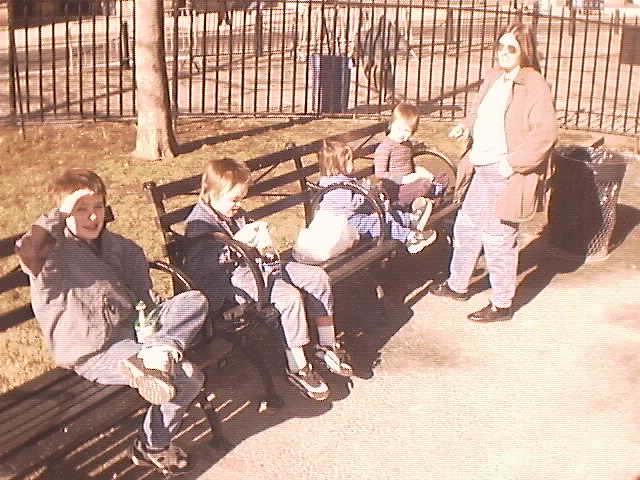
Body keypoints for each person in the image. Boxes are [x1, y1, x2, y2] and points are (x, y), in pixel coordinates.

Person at [15, 168, 209, 475]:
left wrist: (155, 324)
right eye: (81, 209)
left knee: (194, 300)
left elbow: (144, 295)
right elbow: (29, 251)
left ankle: (158, 354)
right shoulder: (53, 256)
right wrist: (60, 212)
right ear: (64, 212)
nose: (93, 217)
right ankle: (153, 445)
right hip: (96, 351)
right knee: (188, 377)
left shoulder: (119, 247)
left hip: (136, 336)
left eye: (98, 207)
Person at [182, 158, 353, 402]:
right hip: (230, 282)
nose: (238, 206)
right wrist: (236, 246)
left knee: (317, 277)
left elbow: (252, 243)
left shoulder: (232, 212)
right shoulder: (199, 224)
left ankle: (326, 345)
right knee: (289, 297)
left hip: (257, 269)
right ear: (211, 193)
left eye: (241, 199)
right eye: (234, 200)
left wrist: (261, 241)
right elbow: (202, 269)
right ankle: (298, 366)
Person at [429, 22, 558, 322]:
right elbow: (479, 112)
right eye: (500, 46)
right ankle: (457, 285)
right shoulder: (494, 77)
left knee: (499, 238)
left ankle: (502, 304)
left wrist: (512, 163)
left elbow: (546, 133)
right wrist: (466, 126)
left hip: (506, 172)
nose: (503, 53)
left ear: (525, 51)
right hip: (481, 166)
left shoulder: (534, 84)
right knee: (466, 227)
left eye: (511, 48)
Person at [317, 139, 437, 254]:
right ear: (337, 165)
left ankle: (410, 219)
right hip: (344, 224)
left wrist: (371, 193)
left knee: (384, 215)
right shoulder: (335, 185)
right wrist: (365, 189)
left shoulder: (342, 180)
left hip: (353, 217)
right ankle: (410, 238)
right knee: (377, 223)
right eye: (350, 161)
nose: (353, 163)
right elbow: (353, 204)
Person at [374, 103, 437, 210]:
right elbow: (380, 174)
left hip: (409, 183)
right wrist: (403, 179)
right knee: (424, 185)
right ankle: (424, 200)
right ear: (391, 124)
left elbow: (409, 164)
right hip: (395, 190)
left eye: (407, 131)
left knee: (442, 178)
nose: (402, 134)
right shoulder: (385, 148)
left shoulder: (406, 144)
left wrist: (419, 170)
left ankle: (426, 199)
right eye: (399, 129)